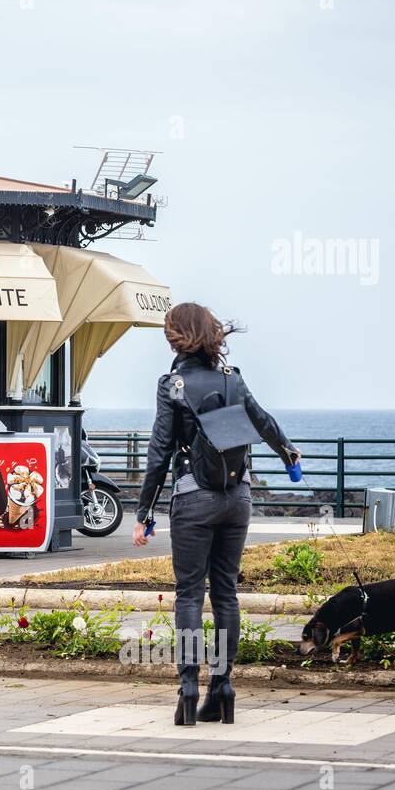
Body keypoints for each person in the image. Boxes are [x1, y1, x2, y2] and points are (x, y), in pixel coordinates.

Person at [133, 303, 298, 726]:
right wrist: (288, 456)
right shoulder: (233, 380)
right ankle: (222, 687)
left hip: (194, 497)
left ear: (176, 337)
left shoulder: (172, 384)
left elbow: (159, 451)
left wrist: (145, 511)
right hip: (237, 497)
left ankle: (188, 688)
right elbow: (264, 423)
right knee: (225, 593)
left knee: (189, 593)